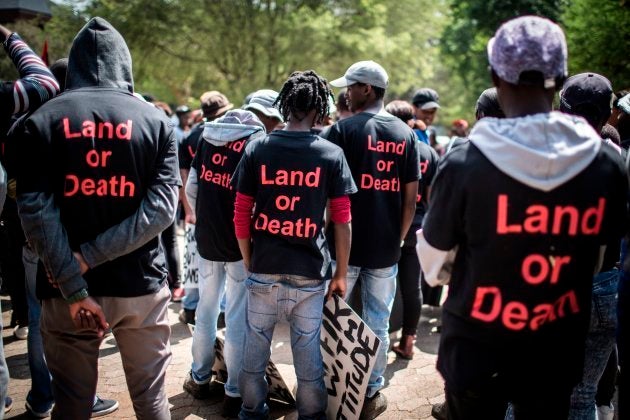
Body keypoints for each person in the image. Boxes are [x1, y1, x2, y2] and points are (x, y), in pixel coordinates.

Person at [417, 16, 628, 420]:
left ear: (496, 74)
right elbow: (601, 257)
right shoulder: (605, 164)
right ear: (560, 77)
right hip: (555, 352)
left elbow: (434, 267)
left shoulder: (463, 163)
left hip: (476, 351)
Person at [14, 17, 180, 419]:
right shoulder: (157, 121)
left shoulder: (39, 122)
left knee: (70, 403)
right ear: (124, 64)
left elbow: (35, 212)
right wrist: (87, 257)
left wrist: (74, 279)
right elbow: (161, 210)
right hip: (140, 288)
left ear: (74, 67)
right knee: (151, 402)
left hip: (65, 294)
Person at [232, 70, 356, 419]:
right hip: (310, 274)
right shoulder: (331, 154)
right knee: (308, 357)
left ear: (284, 105)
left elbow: (241, 213)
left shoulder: (258, 148)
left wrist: (248, 260)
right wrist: (342, 273)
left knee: (254, 355)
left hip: (263, 268)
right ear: (319, 109)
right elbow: (343, 220)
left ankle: (252, 412)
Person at [326, 60, 420, 417]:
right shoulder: (405, 134)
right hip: (385, 248)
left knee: (333, 319)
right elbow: (410, 200)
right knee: (377, 321)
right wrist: (396, 238)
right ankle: (371, 392)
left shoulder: (342, 131)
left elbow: (327, 196)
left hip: (343, 250)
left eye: (350, 86)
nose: (345, 92)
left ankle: (330, 389)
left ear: (367, 89)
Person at [183, 109, 266, 417]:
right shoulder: (254, 143)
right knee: (236, 318)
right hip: (239, 242)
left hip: (206, 238)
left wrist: (203, 216)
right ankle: (233, 390)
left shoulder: (205, 138)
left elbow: (192, 187)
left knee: (206, 309)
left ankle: (200, 377)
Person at [0, 22, 60, 417]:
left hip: (24, 235)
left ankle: (42, 397)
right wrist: (8, 37)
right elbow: (42, 81)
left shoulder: (17, 126)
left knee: (40, 316)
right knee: (56, 319)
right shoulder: (59, 121)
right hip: (51, 240)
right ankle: (66, 394)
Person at [385, 99, 439, 360]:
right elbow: (429, 198)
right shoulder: (429, 153)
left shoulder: (389, 148)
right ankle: (408, 342)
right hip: (417, 226)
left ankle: (376, 340)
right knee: (412, 287)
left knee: (379, 284)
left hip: (387, 225)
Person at [178, 91, 233, 324]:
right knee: (222, 273)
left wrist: (189, 210)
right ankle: (218, 311)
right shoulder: (233, 136)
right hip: (223, 214)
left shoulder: (191, 137)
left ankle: (191, 307)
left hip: (197, 211)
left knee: (195, 264)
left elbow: (185, 178)